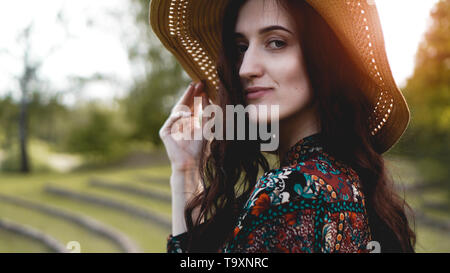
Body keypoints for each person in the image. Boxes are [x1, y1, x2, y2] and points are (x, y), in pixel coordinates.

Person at [151, 0, 416, 253]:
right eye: (241, 47)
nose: (246, 68)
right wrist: (185, 169)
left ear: (324, 57)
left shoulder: (289, 192)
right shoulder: (347, 183)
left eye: (276, 42)